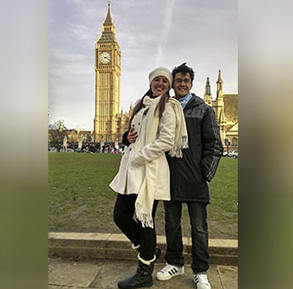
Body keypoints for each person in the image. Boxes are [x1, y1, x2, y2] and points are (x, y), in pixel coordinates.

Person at [109, 67, 188, 289]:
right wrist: (126, 137)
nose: (160, 83)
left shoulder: (169, 107)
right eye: (157, 80)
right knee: (120, 215)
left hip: (149, 169)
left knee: (145, 220)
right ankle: (147, 248)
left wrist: (140, 157)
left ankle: (144, 272)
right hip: (131, 170)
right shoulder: (141, 105)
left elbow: (166, 141)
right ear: (151, 82)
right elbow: (135, 135)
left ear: (169, 85)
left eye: (165, 81)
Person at [155, 63, 223, 289]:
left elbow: (214, 144)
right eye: (178, 81)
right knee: (171, 224)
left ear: (191, 84)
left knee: (199, 228)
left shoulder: (203, 109)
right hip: (171, 177)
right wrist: (128, 135)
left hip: (195, 178)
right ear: (172, 84)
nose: (182, 84)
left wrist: (205, 173)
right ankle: (175, 263)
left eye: (186, 81)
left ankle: (201, 271)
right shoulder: (165, 107)